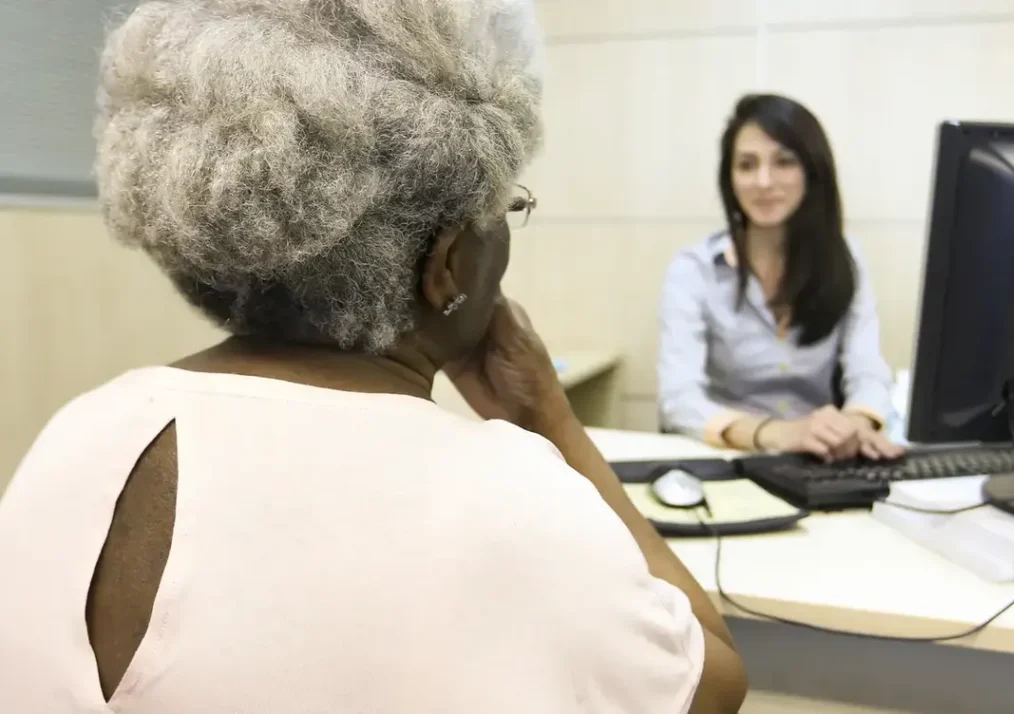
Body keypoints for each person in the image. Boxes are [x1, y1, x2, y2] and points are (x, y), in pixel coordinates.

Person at [0, 2, 748, 712]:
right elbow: (712, 685)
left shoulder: (80, 434)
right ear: (447, 264)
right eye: (505, 208)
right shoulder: (513, 499)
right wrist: (549, 418)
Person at [658, 94, 902, 462]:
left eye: (784, 162)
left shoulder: (845, 259)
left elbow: (868, 370)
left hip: (821, 458)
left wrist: (856, 423)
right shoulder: (694, 269)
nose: (764, 181)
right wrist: (779, 434)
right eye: (747, 165)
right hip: (732, 457)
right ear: (730, 178)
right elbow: (678, 399)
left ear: (812, 171)